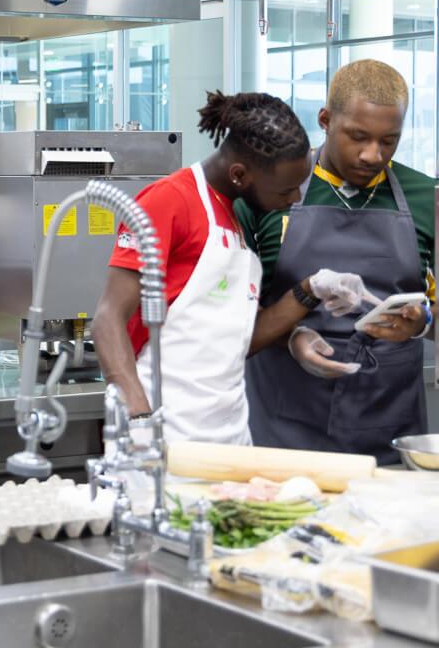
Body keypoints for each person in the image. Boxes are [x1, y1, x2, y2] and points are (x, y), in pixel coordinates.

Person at [94, 91, 370, 445]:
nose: (295, 199)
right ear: (240, 174)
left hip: (229, 437)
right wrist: (139, 418)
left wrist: (313, 289)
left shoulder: (234, 212)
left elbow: (235, 339)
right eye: (286, 190)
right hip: (162, 435)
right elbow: (108, 319)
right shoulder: (170, 202)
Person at [241, 60, 435, 463]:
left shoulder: (426, 198)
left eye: (389, 141)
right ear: (326, 120)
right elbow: (231, 322)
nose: (372, 155)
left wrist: (423, 323)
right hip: (284, 431)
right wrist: (291, 336)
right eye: (358, 136)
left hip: (389, 431)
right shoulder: (270, 193)